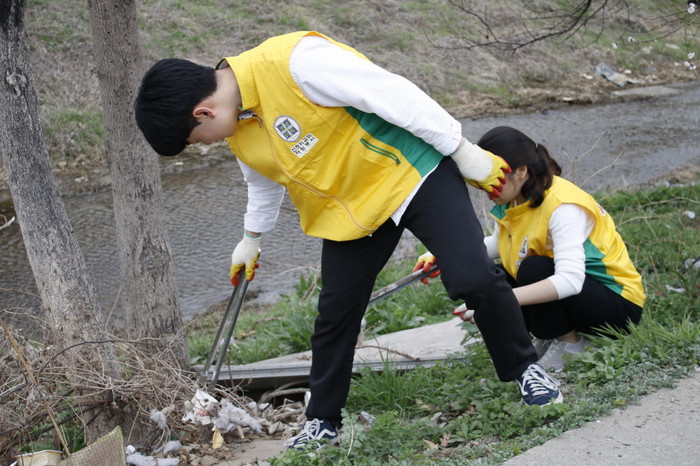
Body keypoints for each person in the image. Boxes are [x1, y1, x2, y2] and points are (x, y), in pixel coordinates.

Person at [134, 31, 562, 451]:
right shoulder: (239, 123)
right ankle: (322, 422)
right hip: (353, 212)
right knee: (335, 315)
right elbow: (262, 180)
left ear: (204, 112)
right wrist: (251, 238)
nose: (206, 145)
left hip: (414, 174)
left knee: (473, 277)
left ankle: (525, 370)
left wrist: (461, 149)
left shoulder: (295, 62)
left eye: (196, 140)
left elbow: (394, 94)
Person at [416, 126, 645, 373]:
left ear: (521, 171)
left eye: (492, 177)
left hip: (617, 307)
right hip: (582, 300)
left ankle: (570, 345)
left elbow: (571, 281)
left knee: (533, 269)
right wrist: (446, 255)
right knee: (492, 278)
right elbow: (501, 245)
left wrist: (499, 302)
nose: (485, 187)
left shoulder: (563, 206)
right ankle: (550, 338)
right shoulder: (515, 198)